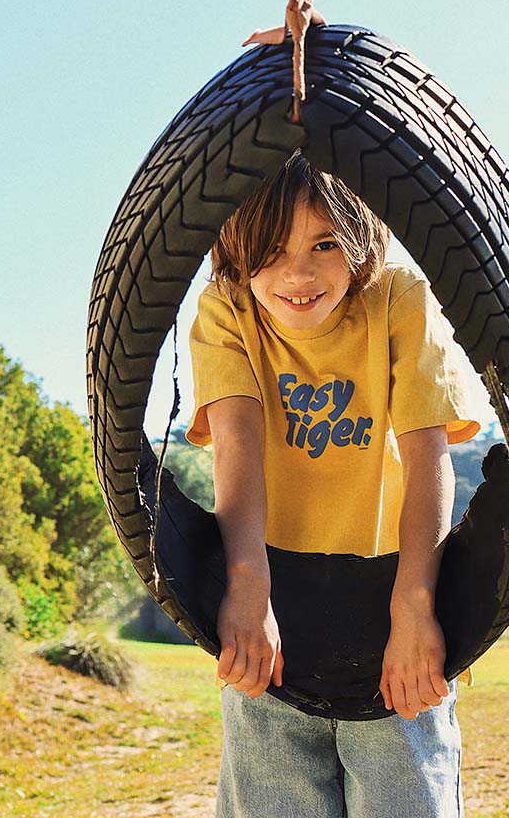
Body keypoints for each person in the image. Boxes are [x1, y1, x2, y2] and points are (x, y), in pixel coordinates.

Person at [186, 149, 481, 818]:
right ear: (237, 248)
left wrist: (415, 608)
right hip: (272, 601)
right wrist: (246, 589)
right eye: (271, 247)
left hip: (389, 592)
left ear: (360, 237)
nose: (298, 271)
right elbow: (236, 442)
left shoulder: (397, 297)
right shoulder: (226, 308)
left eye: (324, 243)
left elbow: (428, 450)